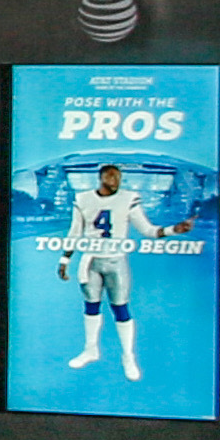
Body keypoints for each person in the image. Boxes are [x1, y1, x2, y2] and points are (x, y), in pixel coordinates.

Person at [63, 160, 169, 380]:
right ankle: (91, 349)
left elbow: (148, 230)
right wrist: (65, 259)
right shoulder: (83, 199)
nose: (116, 180)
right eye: (111, 176)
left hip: (116, 261)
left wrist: (172, 230)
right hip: (91, 260)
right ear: (101, 177)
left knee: (121, 309)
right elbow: (75, 232)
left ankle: (128, 356)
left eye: (119, 176)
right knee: (91, 306)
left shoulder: (129, 198)